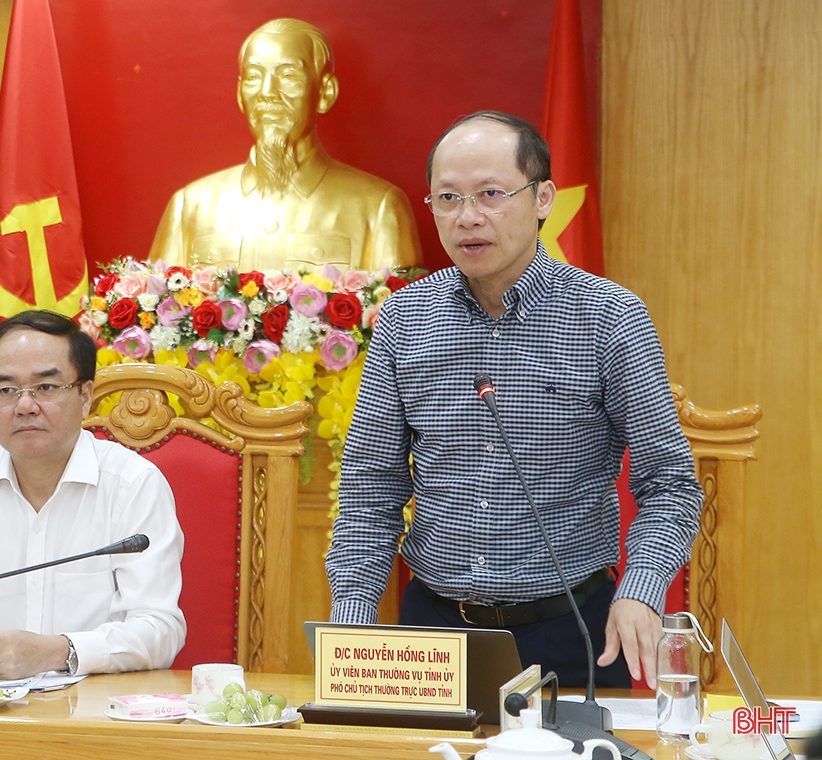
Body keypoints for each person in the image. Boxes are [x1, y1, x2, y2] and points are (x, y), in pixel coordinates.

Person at [325, 111, 703, 688]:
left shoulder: (609, 318)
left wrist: (642, 591)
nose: (468, 217)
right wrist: (351, 619)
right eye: (447, 198)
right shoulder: (407, 318)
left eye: (491, 194)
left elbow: (671, 484)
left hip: (569, 631)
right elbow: (370, 486)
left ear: (543, 197)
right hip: (430, 638)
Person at [0, 310, 186, 679]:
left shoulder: (133, 485)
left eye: (46, 387)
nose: (25, 405)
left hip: (92, 715)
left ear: (85, 396)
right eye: (7, 390)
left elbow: (159, 628)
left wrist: (56, 651)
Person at [148, 18, 421, 273]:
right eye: (254, 77)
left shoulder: (378, 207)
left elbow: (401, 319)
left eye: (288, 75)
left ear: (325, 93)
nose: (267, 92)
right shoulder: (192, 206)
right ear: (240, 96)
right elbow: (157, 314)